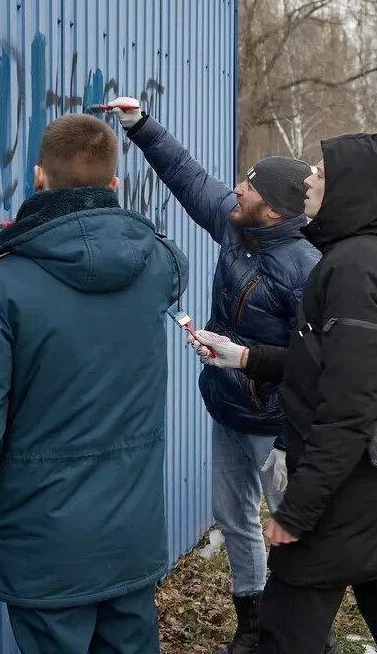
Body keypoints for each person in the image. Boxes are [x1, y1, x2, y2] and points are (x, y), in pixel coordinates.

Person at [0, 113, 188, 654]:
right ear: (115, 186)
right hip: (130, 535)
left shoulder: (1, 282)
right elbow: (178, 266)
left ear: (37, 178)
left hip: (43, 541)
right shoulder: (156, 265)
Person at [189, 133, 377, 654]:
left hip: (342, 493)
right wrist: (243, 357)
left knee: (285, 631)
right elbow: (330, 365)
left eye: (324, 175)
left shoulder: (350, 270)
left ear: (353, 191)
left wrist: (296, 512)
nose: (311, 180)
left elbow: (351, 406)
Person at [101, 98, 324, 654]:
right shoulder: (235, 225)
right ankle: (251, 623)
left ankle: (305, 635)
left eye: (249, 187)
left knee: (293, 533)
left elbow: (319, 364)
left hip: (276, 428)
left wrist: (285, 440)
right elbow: (186, 175)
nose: (236, 190)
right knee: (233, 517)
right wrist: (140, 125)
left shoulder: (307, 271)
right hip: (227, 407)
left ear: (273, 211)